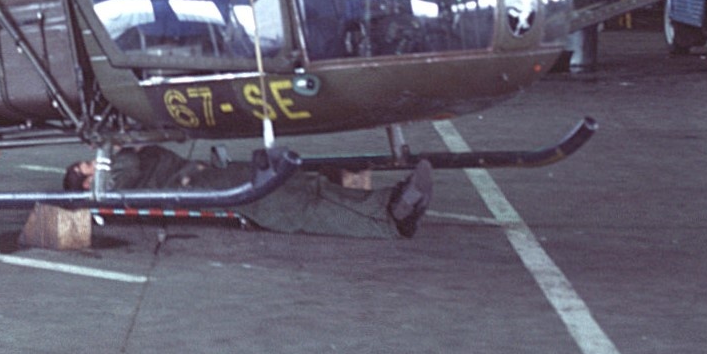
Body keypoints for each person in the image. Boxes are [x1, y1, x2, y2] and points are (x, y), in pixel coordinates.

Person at [64, 145, 433, 239]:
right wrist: (117, 154)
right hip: (203, 189)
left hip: (210, 179)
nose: (95, 162)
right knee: (294, 204)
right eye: (87, 166)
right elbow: (131, 167)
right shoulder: (109, 184)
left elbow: (151, 154)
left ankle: (392, 203)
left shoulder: (119, 168)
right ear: (85, 183)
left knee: (302, 187)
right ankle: (391, 217)